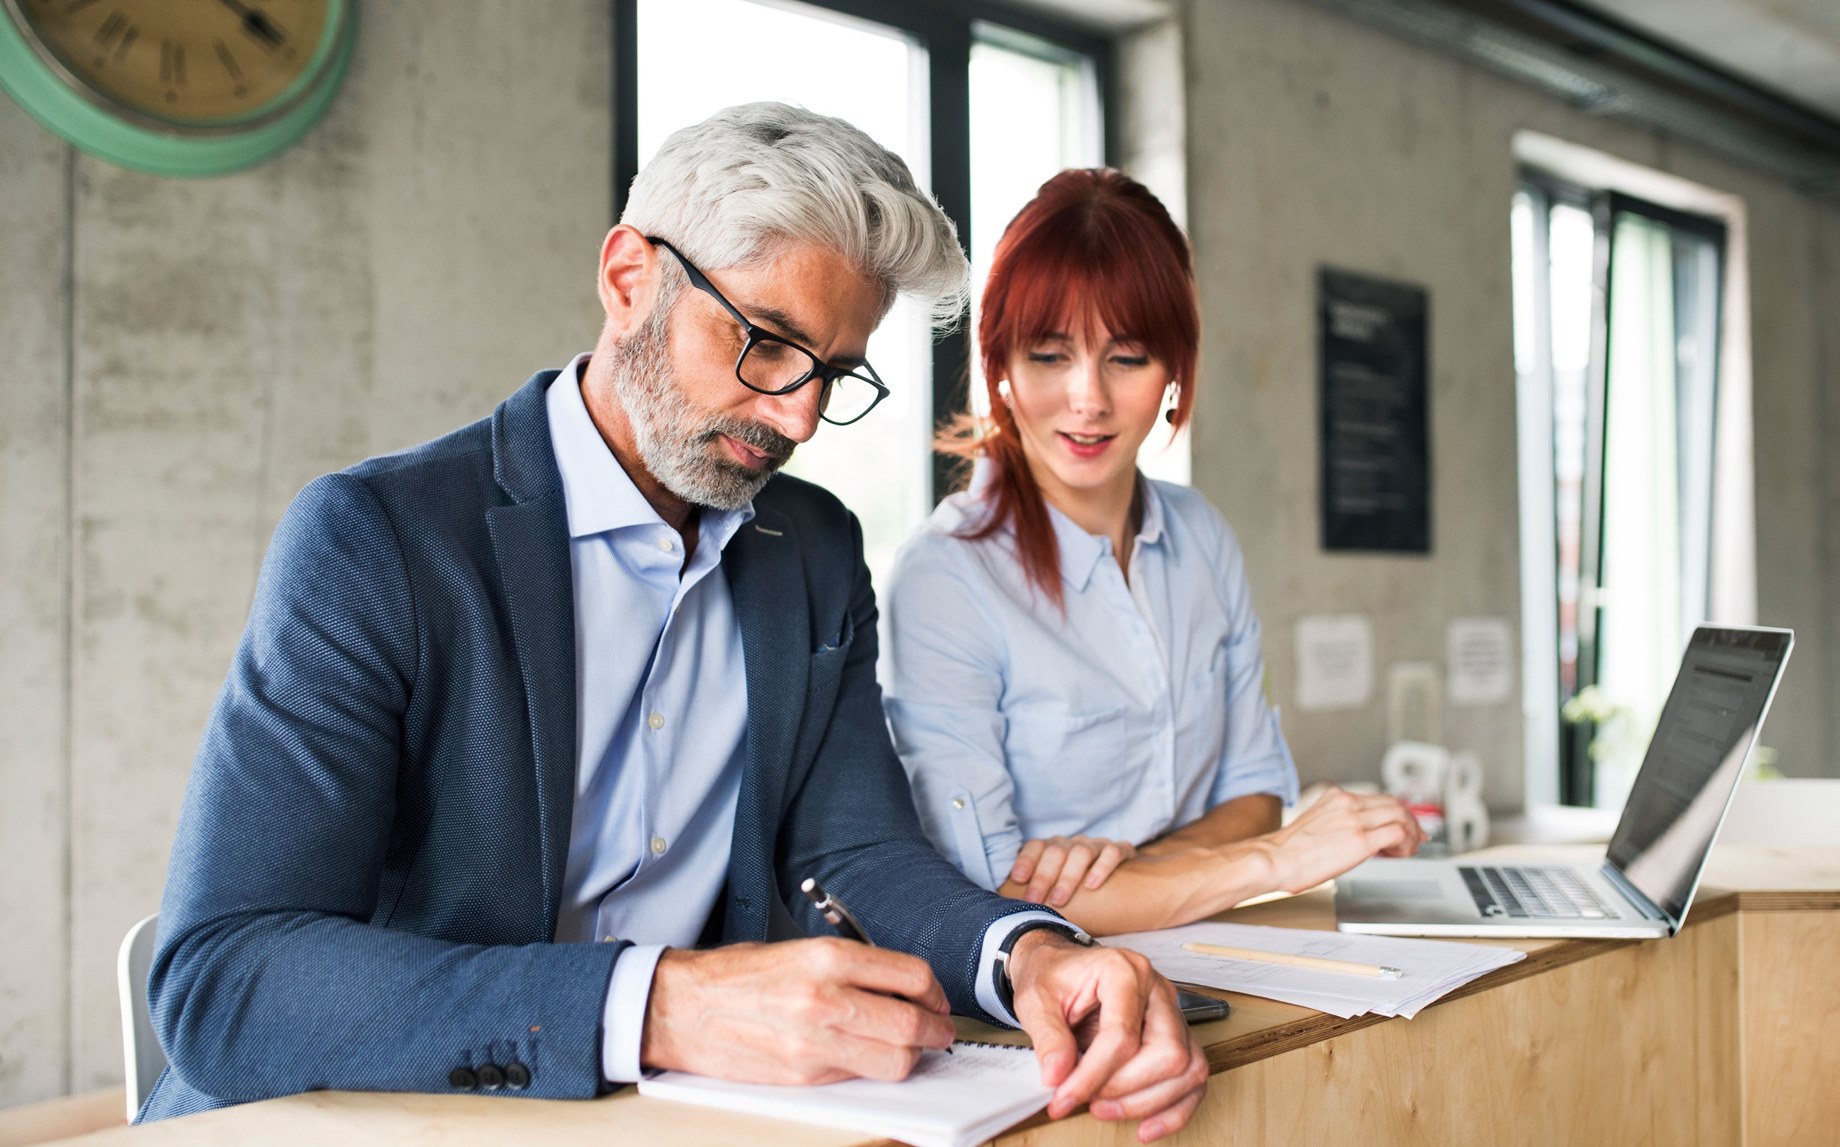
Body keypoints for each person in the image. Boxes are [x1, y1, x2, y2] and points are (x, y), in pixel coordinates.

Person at [143, 106, 1208, 1141]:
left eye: (833, 374)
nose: (796, 415)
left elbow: (859, 845)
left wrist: (1030, 952)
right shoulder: (378, 540)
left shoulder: (813, 546)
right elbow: (224, 973)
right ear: (627, 279)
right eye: (765, 342)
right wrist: (659, 1004)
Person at [885, 169, 1423, 936]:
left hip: (1222, 955)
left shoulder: (1201, 536)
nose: (1088, 398)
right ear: (999, 363)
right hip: (1048, 998)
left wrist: (1127, 874)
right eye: (1049, 354)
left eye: (1127, 357)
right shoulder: (945, 575)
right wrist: (1274, 860)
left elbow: (1254, 792)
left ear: (1173, 368)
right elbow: (991, 889)